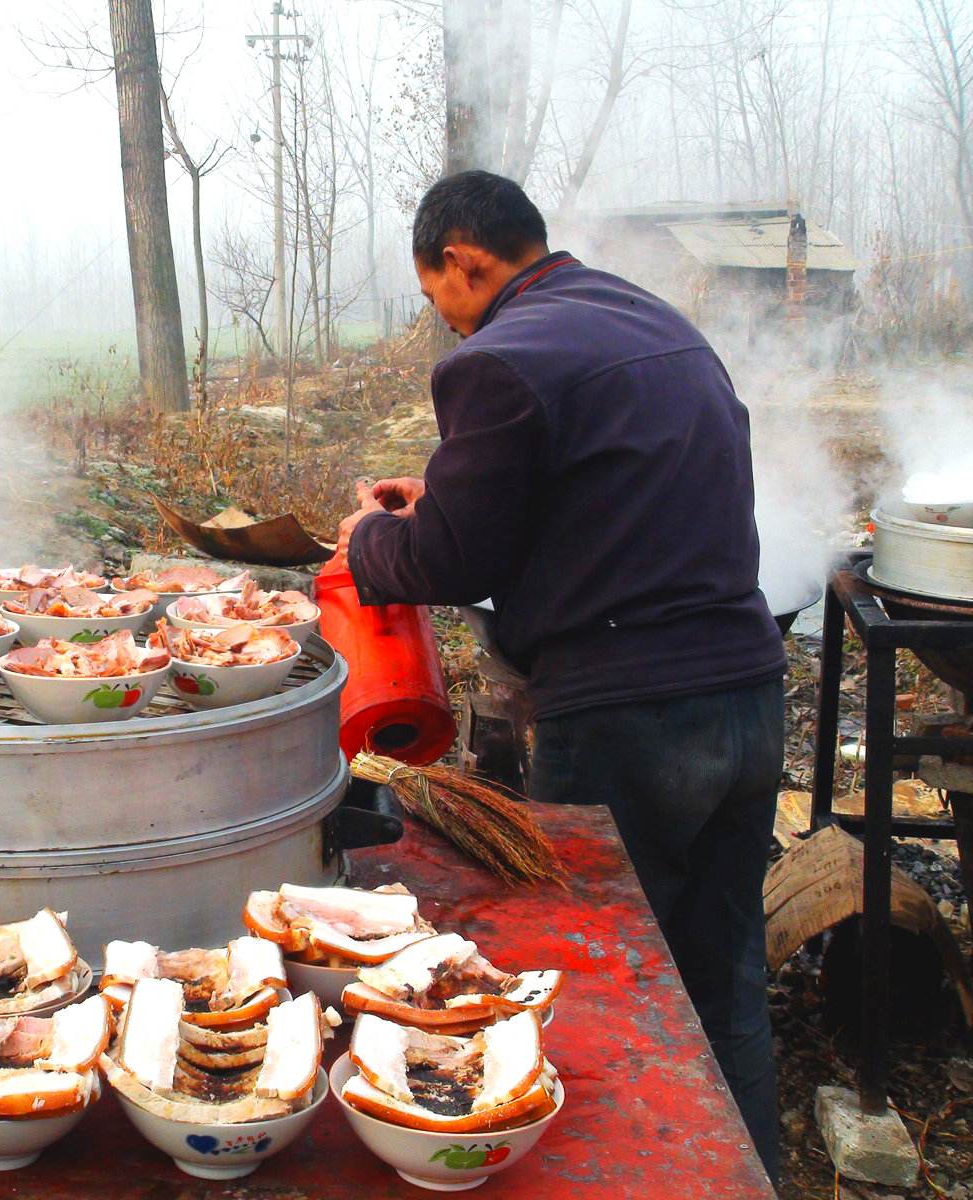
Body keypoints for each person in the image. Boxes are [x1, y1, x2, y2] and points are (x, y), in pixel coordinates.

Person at [336, 169, 786, 1180]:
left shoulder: (494, 361)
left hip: (630, 718)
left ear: (461, 260)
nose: (448, 323)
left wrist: (371, 541)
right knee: (724, 981)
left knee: (598, 984)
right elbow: (609, 492)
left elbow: (456, 563)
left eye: (438, 296)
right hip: (749, 697)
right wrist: (438, 497)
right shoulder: (652, 323)